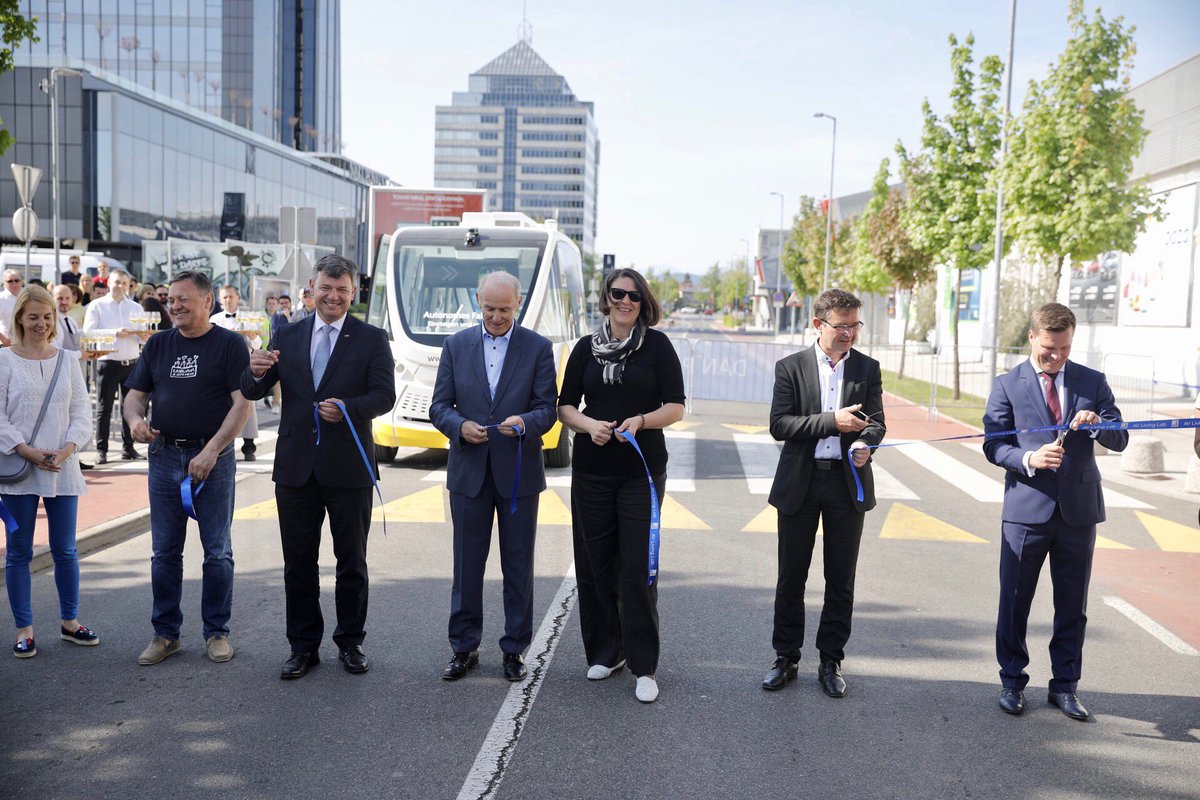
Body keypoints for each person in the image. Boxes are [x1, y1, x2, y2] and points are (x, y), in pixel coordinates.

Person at [240, 255, 394, 680]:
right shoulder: (286, 334)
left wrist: (348, 408)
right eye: (327, 287)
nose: (334, 296)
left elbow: (385, 397)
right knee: (298, 563)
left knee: (352, 562)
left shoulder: (371, 338)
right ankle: (303, 647)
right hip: (296, 469)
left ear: (353, 293)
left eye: (343, 289)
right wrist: (251, 372)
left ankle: (351, 643)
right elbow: (255, 388)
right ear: (312, 288)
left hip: (349, 469)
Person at [983, 303, 1128, 720]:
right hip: (1026, 510)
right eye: (1049, 349)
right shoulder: (1007, 385)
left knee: (1072, 604)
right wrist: (1030, 458)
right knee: (1014, 601)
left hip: (1078, 512)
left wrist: (1098, 422)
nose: (1057, 357)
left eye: (1064, 348)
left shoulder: (1092, 381)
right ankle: (1012, 681)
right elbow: (993, 445)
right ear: (1032, 337)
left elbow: (1120, 437)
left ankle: (1065, 686)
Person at [557, 268, 686, 703]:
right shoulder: (584, 349)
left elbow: (676, 407)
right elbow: (565, 407)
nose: (625, 301)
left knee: (637, 569)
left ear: (642, 301)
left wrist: (642, 421)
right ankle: (605, 652)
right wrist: (589, 424)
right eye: (618, 293)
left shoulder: (657, 346)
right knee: (596, 565)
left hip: (641, 471)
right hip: (592, 471)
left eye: (633, 295)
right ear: (606, 298)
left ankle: (643, 665)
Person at [429, 271, 557, 684]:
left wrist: (526, 423)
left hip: (518, 473)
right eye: (489, 309)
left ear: (518, 304)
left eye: (504, 309)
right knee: (466, 567)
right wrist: (459, 425)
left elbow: (548, 408)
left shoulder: (537, 348)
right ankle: (463, 648)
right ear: (477, 302)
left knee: (518, 566)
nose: (496, 317)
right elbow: (438, 406)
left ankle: (515, 650)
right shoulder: (455, 345)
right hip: (469, 471)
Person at [760, 288, 885, 698]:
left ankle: (831, 661)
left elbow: (876, 423)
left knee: (840, 578)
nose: (849, 334)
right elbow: (781, 425)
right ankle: (786, 657)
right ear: (818, 325)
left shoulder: (867, 369)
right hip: (800, 480)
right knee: (791, 576)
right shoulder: (790, 367)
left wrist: (867, 444)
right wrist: (833, 421)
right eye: (841, 326)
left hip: (846, 482)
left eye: (855, 326)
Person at [123, 270, 252, 666]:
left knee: (217, 552)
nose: (175, 306)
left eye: (184, 299)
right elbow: (133, 397)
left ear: (208, 302)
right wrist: (134, 423)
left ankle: (216, 632)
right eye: (172, 300)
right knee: (164, 552)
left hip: (212, 460)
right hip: (164, 457)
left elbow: (242, 404)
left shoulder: (231, 345)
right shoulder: (158, 344)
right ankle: (166, 634)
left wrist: (212, 450)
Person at [1, 286, 96, 658]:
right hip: (17, 468)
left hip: (63, 466)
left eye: (47, 317)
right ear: (20, 319)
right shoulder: (5, 360)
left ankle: (70, 622)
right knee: (18, 551)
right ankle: (24, 628)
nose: (41, 324)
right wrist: (26, 449)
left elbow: (81, 413)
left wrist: (67, 450)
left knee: (66, 549)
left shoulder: (67, 360)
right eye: (33, 317)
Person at [82, 270, 142, 464]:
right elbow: (89, 333)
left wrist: (144, 336)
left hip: (132, 363)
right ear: (109, 283)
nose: (121, 287)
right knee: (104, 408)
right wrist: (115, 332)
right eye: (117, 282)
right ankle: (102, 450)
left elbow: (141, 334)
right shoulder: (96, 306)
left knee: (131, 407)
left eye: (125, 283)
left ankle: (128, 447)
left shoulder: (135, 307)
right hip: (107, 362)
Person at [210, 285, 261, 462]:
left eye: (230, 297)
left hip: (243, 366)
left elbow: (257, 345)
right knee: (221, 405)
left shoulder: (249, 318)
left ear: (238, 297)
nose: (228, 300)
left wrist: (253, 336)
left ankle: (249, 447)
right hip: (220, 367)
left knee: (247, 404)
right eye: (224, 297)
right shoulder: (214, 319)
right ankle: (220, 446)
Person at [0, 269, 26, 346]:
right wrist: (4, 340)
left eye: (17, 280)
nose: (14, 283)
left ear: (21, 281)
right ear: (4, 283)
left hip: (26, 342)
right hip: (6, 343)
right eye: (10, 281)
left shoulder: (27, 296)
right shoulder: (1, 298)